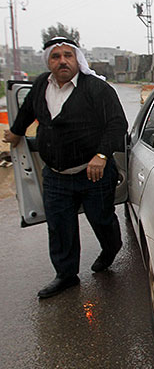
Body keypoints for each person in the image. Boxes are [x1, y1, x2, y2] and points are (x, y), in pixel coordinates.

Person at [3, 37, 128, 299]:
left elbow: (117, 125)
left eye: (68, 56)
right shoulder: (40, 86)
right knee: (60, 227)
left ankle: (110, 249)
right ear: (48, 61)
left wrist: (101, 155)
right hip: (56, 176)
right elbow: (27, 111)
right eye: (56, 56)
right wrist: (16, 133)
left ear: (77, 59)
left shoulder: (96, 88)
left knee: (102, 220)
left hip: (93, 173)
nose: (62, 61)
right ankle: (66, 275)